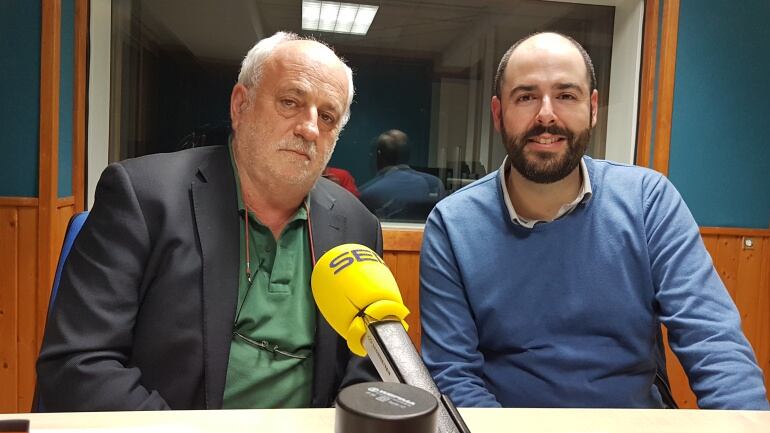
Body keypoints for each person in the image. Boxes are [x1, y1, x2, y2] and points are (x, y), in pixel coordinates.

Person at [419, 32, 769, 409]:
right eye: (526, 97)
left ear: (594, 108)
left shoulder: (647, 200)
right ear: (498, 113)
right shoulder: (453, 224)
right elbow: (453, 376)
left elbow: (712, 340)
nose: (547, 115)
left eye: (566, 95)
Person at [36, 32, 381, 411]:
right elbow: (79, 366)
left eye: (327, 116)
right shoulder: (143, 196)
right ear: (240, 105)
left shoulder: (357, 226)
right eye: (290, 102)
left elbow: (368, 374)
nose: (310, 128)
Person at [359, 129, 445, 220]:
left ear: (379, 155)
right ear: (408, 154)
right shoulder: (434, 184)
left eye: (371, 154)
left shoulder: (367, 192)